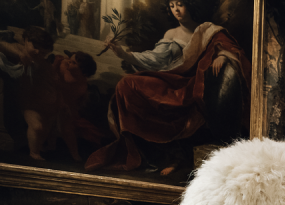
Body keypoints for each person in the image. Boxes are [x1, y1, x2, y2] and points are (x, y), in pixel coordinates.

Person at [86, 0, 252, 175]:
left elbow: (229, 47)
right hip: (171, 80)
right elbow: (155, 59)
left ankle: (178, 157)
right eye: (172, 6)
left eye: (180, 4)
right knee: (127, 85)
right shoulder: (172, 33)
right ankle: (147, 155)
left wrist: (223, 56)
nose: (176, 10)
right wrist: (123, 54)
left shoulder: (207, 30)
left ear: (191, 5)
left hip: (194, 83)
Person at [0, 27, 55, 160]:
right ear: (25, 40)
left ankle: (30, 148)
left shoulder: (40, 61)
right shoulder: (17, 49)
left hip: (27, 99)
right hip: (9, 91)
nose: (37, 52)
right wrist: (19, 55)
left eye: (42, 52)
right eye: (35, 47)